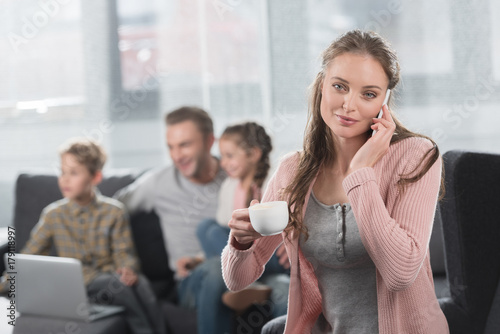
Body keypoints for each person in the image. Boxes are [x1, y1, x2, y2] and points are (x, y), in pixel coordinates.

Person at [222, 29, 449, 334]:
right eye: (340, 87)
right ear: (321, 86)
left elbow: (401, 273)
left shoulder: (417, 156)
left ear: (384, 102)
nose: (349, 105)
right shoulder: (294, 170)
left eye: (368, 94)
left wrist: (360, 172)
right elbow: (237, 280)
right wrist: (242, 241)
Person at [0, 138, 165, 334]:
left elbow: (124, 252)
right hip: (75, 286)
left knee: (139, 283)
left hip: (108, 283)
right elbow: (29, 256)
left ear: (95, 177)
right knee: (119, 285)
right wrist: (6, 283)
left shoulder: (114, 212)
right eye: (62, 172)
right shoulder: (53, 214)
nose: (65, 179)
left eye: (74, 173)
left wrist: (128, 269)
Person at [114, 106, 231, 334]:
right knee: (217, 268)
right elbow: (113, 210)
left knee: (284, 290)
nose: (177, 155)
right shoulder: (158, 183)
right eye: (171, 147)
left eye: (185, 145)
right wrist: (119, 260)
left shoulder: (234, 176)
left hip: (247, 272)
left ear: (209, 141)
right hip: (191, 282)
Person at [196, 121, 290, 317]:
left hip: (273, 254)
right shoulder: (229, 187)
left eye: (230, 156)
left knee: (210, 230)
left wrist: (290, 240)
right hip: (246, 254)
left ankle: (246, 280)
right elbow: (226, 232)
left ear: (254, 154)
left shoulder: (274, 180)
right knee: (207, 228)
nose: (223, 163)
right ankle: (250, 282)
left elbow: (292, 218)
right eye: (222, 156)